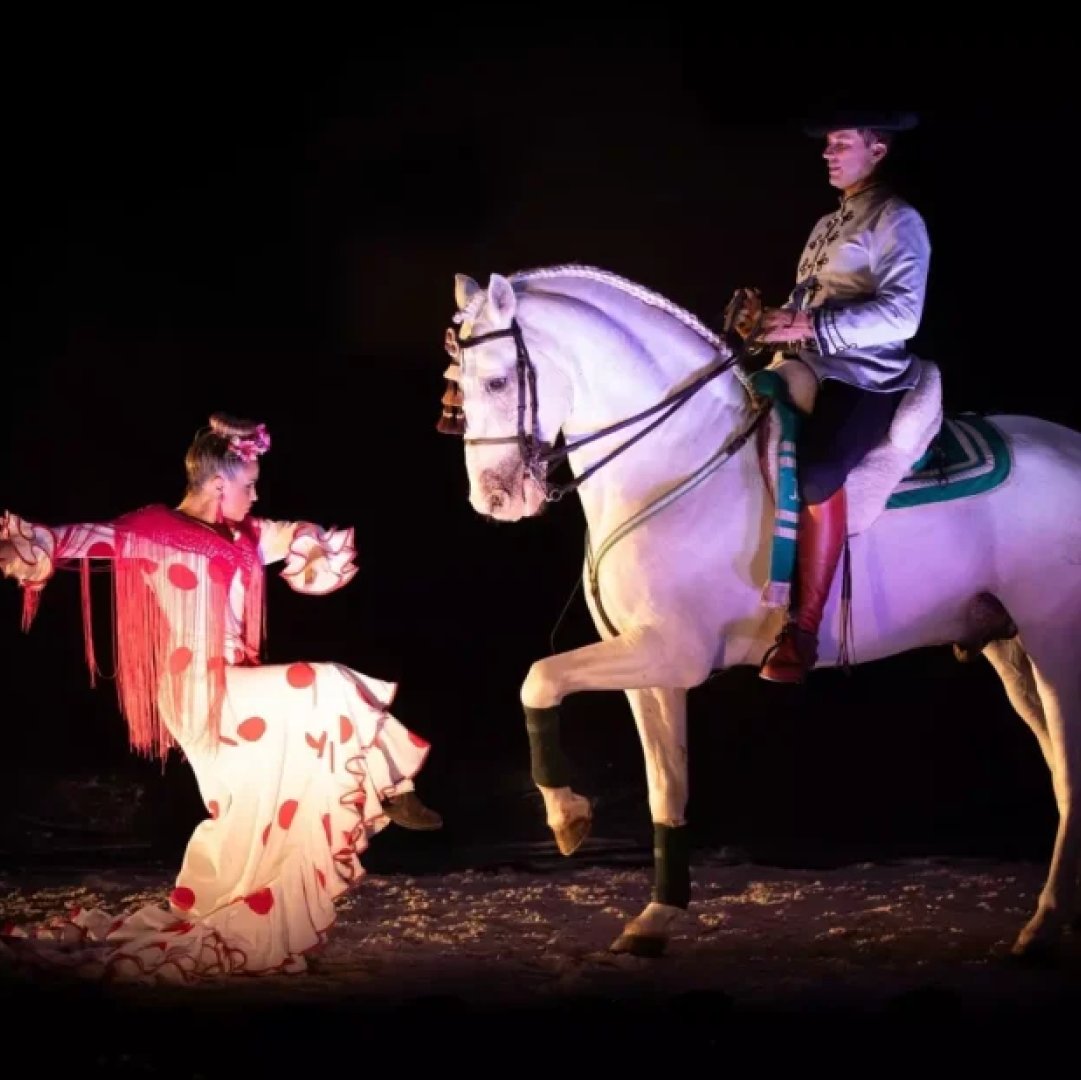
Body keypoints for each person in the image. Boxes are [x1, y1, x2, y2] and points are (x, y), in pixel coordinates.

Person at [0, 412, 442, 982]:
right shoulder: (154, 530)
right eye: (249, 484)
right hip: (198, 689)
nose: (256, 494)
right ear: (217, 485)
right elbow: (85, 540)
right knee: (326, 681)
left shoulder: (246, 537)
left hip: (239, 689)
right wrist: (35, 541)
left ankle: (235, 908)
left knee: (244, 812)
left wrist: (313, 540)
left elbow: (292, 532)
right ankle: (393, 781)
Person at [729, 109, 931, 684]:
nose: (828, 151)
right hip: (809, 366)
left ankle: (805, 630)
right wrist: (768, 323)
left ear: (879, 149)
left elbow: (903, 313)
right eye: (828, 143)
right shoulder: (825, 224)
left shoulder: (899, 219)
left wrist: (811, 329)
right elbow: (804, 313)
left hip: (867, 376)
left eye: (841, 142)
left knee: (818, 471)